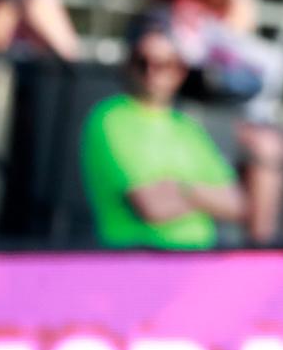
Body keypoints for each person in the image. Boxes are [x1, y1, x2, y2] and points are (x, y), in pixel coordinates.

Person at [153, 0, 283, 245]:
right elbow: (191, 77)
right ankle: (259, 249)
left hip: (251, 116)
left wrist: (238, 32)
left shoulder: (230, 13)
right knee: (266, 148)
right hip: (203, 115)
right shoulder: (174, 14)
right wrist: (230, 33)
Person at [80, 13, 246, 249]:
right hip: (138, 261)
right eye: (143, 62)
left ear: (181, 70)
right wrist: (203, 195)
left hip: (196, 267)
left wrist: (180, 189)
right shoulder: (110, 118)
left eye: (165, 64)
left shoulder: (186, 126)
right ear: (128, 63)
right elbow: (152, 206)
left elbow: (236, 204)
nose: (152, 73)